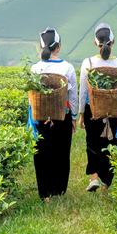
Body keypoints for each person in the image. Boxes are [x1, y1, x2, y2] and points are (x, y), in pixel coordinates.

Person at [76, 23, 117, 192]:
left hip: (93, 109)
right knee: (110, 144)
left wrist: (81, 114)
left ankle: (94, 178)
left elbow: (83, 90)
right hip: (113, 111)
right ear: (113, 41)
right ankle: (106, 185)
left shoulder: (88, 62)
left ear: (95, 43)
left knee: (92, 142)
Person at [28, 26, 78, 201]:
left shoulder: (35, 69)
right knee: (61, 153)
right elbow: (73, 96)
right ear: (59, 46)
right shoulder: (67, 68)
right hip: (61, 116)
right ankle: (58, 189)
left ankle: (45, 193)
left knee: (42, 154)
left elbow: (31, 97)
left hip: (40, 116)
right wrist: (73, 118)